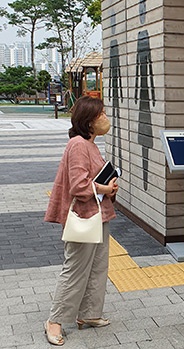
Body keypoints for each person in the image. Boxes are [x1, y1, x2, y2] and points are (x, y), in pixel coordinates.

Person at [44, 96, 119, 346]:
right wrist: (105, 189)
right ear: (89, 121)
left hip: (97, 215)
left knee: (97, 267)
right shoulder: (78, 145)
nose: (106, 118)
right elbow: (78, 186)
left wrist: (107, 186)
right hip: (83, 217)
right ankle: (54, 321)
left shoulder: (91, 144)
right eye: (102, 115)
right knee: (75, 269)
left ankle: (88, 315)